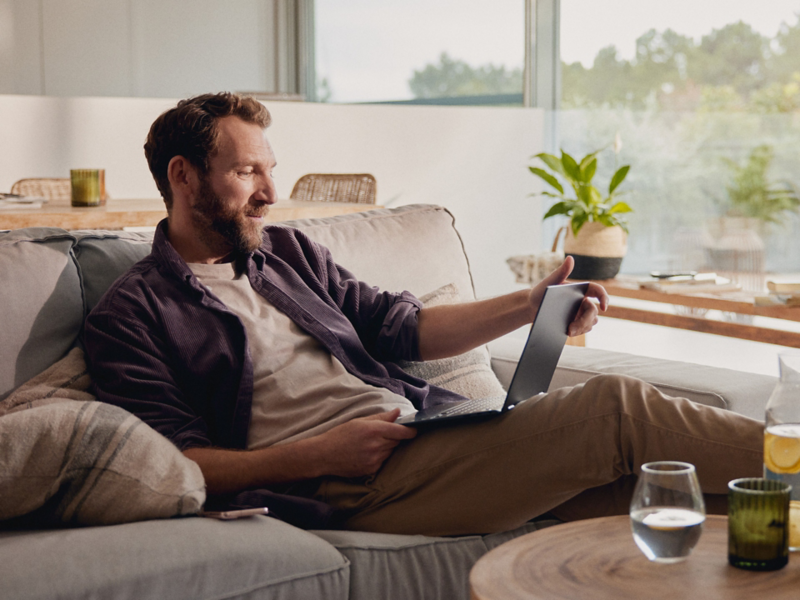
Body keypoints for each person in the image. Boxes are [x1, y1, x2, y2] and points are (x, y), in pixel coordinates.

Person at [83, 92, 763, 536]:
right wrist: (316, 454)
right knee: (615, 409)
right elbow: (175, 460)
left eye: (270, 169)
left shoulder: (287, 253)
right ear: (183, 176)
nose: (270, 193)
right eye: (246, 174)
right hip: (348, 486)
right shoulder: (133, 314)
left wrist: (530, 307)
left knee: (691, 506)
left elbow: (402, 328)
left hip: (429, 437)